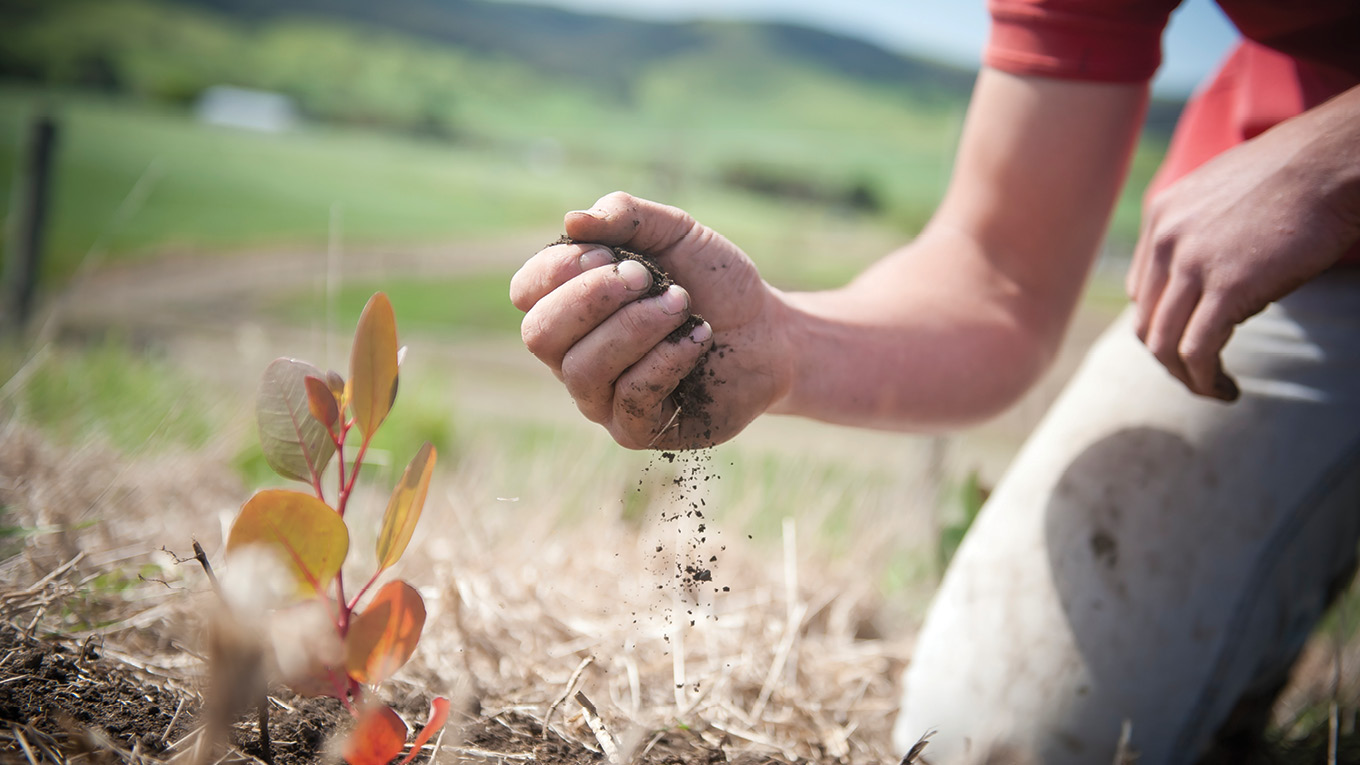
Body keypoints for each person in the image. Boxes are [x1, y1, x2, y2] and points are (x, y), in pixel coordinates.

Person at [510, 1, 1360, 762]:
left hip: (1310, 193)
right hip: (1312, 268)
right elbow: (999, 278)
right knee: (993, 736)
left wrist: (1334, 157)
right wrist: (781, 342)